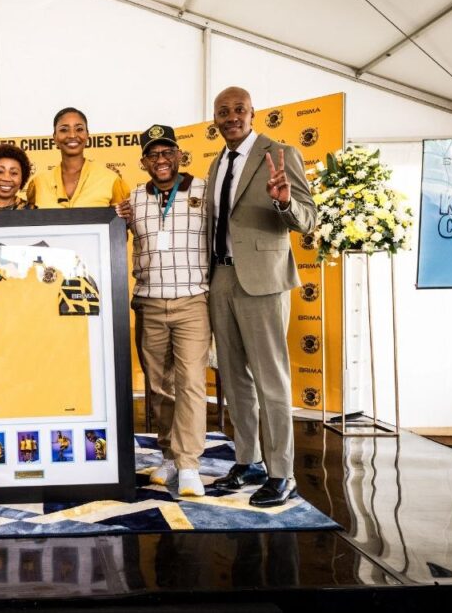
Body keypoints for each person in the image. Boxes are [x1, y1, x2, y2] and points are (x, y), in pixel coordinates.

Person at [205, 87, 317, 507]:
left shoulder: (281, 153)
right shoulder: (217, 162)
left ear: (253, 113)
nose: (231, 117)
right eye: (223, 111)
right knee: (234, 379)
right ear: (215, 119)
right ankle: (247, 460)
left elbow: (308, 219)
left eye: (239, 110)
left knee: (271, 380)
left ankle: (282, 472)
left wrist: (284, 202)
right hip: (221, 278)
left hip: (264, 283)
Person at [118, 123, 211, 497]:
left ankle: (189, 465)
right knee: (158, 386)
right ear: (143, 162)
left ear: (179, 156)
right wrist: (115, 218)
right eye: (153, 154)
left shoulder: (204, 191)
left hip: (192, 300)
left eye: (167, 152)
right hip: (150, 302)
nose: (161, 159)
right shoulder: (133, 199)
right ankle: (170, 455)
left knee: (191, 383)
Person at [27, 107, 129, 208]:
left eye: (79, 129)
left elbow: (122, 217)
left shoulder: (111, 179)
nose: (72, 135)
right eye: (64, 130)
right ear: (55, 138)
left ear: (87, 135)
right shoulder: (38, 183)